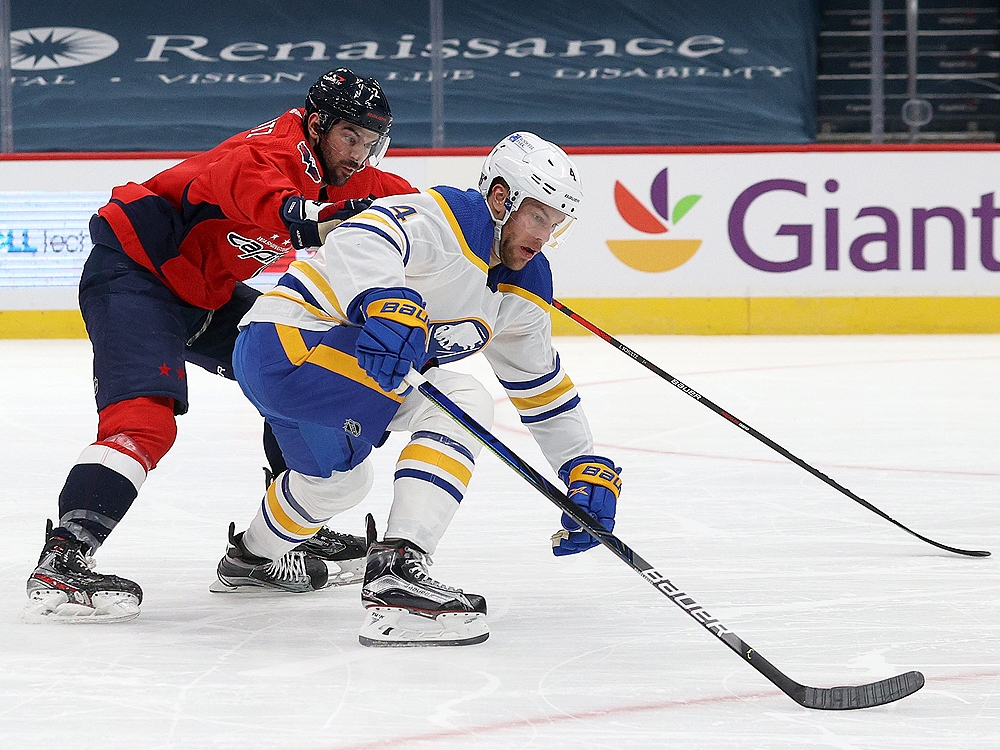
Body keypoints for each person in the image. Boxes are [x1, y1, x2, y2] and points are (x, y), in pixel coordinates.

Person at [23, 68, 417, 623]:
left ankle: (282, 541)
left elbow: (432, 219)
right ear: (318, 124)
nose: (359, 153)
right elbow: (288, 214)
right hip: (136, 276)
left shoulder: (349, 176)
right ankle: (62, 560)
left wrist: (494, 244)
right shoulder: (262, 154)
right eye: (350, 136)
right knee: (143, 423)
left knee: (291, 367)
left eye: (370, 142)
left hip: (206, 293)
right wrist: (346, 220)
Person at [219, 132, 622, 646]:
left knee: (339, 483)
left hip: (323, 374)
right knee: (463, 402)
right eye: (539, 216)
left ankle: (249, 560)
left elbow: (539, 386)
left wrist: (581, 464)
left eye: (556, 224)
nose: (545, 235)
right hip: (291, 340)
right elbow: (360, 236)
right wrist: (384, 297)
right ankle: (397, 574)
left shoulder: (523, 285)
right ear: (502, 198)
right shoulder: (445, 217)